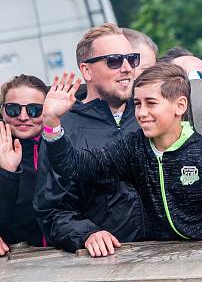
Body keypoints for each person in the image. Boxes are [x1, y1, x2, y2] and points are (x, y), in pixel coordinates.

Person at [40, 64, 202, 248]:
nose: (141, 113)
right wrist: (51, 123)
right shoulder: (133, 148)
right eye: (137, 104)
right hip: (156, 257)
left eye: (151, 103)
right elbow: (74, 166)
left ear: (180, 106)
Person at [34, 23, 144, 257]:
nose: (126, 68)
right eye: (114, 60)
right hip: (104, 262)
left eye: (132, 59)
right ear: (87, 71)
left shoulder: (149, 113)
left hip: (166, 254)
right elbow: (52, 210)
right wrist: (87, 234)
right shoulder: (64, 126)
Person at [0, 75, 49, 252]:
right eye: (13, 109)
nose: (23, 117)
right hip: (13, 261)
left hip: (65, 255)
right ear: (2, 110)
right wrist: (7, 173)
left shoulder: (63, 145)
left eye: (34, 110)